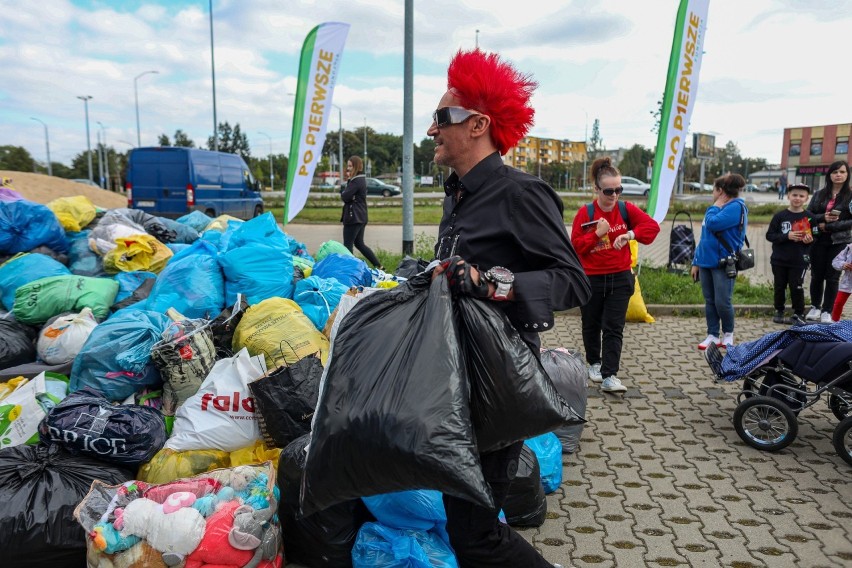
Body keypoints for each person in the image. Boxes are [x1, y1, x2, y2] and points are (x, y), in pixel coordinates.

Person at [429, 49, 590, 568]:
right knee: (466, 528)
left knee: (476, 535)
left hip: (497, 382)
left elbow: (572, 282)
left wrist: (489, 282)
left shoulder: (520, 193)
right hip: (458, 378)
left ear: (477, 125)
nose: (432, 130)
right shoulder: (458, 196)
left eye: (441, 118)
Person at [570, 157, 660, 393]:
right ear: (597, 189)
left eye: (618, 189)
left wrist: (629, 234)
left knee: (613, 327)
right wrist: (597, 234)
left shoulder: (625, 209)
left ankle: (610, 375)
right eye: (609, 191)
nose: (614, 195)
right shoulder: (585, 213)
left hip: (620, 278)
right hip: (592, 279)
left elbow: (652, 229)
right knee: (591, 324)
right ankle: (594, 363)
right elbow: (576, 247)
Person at [691, 173, 748, 350]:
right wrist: (696, 261)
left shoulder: (736, 207)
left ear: (720, 191)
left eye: (714, 190)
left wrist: (714, 206)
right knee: (710, 300)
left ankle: (728, 334)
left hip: (723, 263)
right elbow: (704, 237)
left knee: (723, 301)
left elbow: (713, 224)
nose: (712, 194)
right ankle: (713, 335)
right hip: (706, 261)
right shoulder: (718, 208)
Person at [805, 160, 852, 323]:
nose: (838, 175)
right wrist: (821, 218)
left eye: (842, 172)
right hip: (818, 240)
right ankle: (815, 307)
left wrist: (831, 226)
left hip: (839, 242)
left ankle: (827, 310)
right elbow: (808, 214)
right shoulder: (819, 193)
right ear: (829, 175)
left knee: (832, 277)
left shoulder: (850, 195)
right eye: (835, 172)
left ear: (847, 175)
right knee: (816, 275)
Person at [765, 183, 813, 325]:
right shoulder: (780, 216)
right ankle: (779, 310)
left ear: (806, 198)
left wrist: (810, 240)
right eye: (794, 195)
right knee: (779, 286)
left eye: (801, 196)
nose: (797, 198)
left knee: (796, 286)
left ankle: (798, 313)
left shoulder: (810, 217)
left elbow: (816, 236)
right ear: (788, 196)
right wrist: (787, 236)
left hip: (799, 260)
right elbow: (770, 235)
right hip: (779, 259)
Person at [340, 155, 384, 270]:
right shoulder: (360, 180)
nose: (348, 168)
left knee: (347, 246)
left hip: (353, 217)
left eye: (350, 166)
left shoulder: (355, 181)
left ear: (356, 166)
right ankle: (379, 266)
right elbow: (349, 196)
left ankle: (351, 269)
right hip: (360, 216)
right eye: (347, 166)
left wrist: (348, 183)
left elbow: (345, 196)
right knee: (359, 243)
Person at [830, 242, 852, 322]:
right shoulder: (849, 248)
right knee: (838, 303)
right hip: (848, 282)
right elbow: (835, 261)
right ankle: (834, 324)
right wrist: (844, 264)